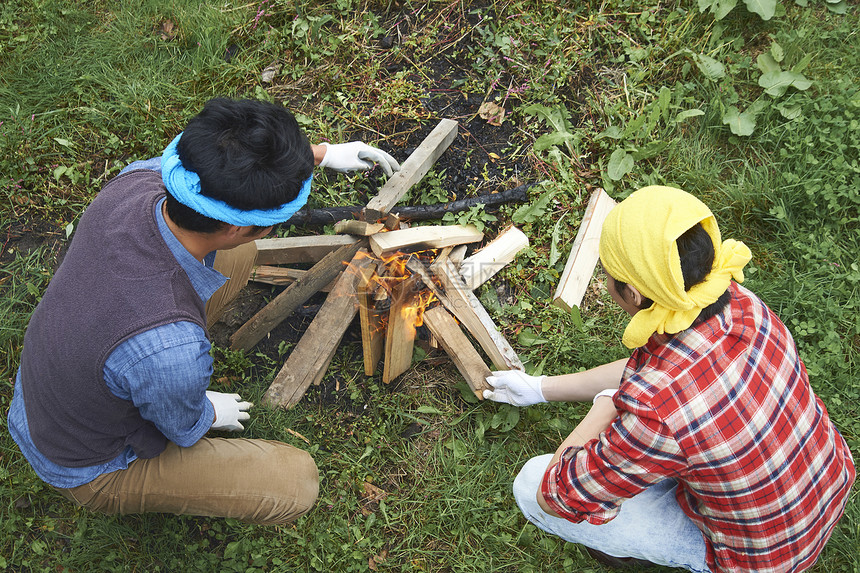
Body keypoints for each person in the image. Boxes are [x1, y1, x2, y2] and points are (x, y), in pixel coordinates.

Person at [7, 98, 400, 524]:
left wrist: (318, 154)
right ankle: (111, 479)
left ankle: (144, 386)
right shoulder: (169, 348)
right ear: (232, 225)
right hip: (83, 458)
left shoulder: (139, 182)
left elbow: (209, 169)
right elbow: (180, 426)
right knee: (296, 482)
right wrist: (206, 411)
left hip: (66, 377)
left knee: (238, 257)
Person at [484, 186, 855, 572]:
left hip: (763, 559)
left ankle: (632, 554)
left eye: (608, 274)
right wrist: (541, 388)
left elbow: (558, 495)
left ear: (633, 293)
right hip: (825, 484)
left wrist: (605, 406)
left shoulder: (656, 412)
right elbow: (658, 372)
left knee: (529, 484)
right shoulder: (743, 304)